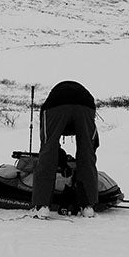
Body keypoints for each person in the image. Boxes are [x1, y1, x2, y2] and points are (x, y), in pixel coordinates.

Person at [31, 79, 100, 218]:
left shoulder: (51, 101)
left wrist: (59, 158)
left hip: (56, 105)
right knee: (86, 153)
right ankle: (87, 206)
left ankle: (42, 206)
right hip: (86, 105)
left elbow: (49, 144)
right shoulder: (83, 96)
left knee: (47, 153)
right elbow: (93, 144)